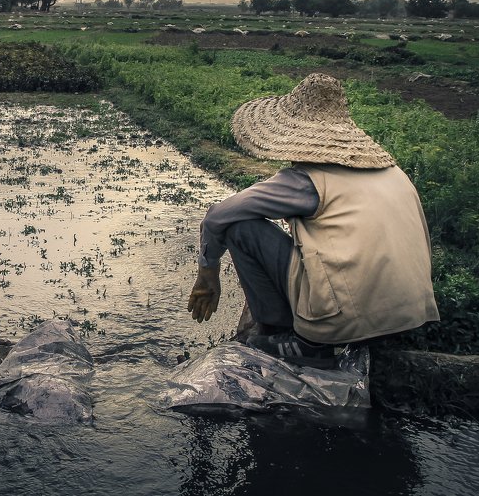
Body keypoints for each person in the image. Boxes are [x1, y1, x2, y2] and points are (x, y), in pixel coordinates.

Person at [187, 73, 439, 368]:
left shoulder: (307, 181)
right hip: (410, 314)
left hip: (340, 324)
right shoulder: (395, 175)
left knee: (241, 228)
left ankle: (291, 337)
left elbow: (217, 216)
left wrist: (208, 275)